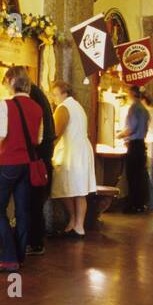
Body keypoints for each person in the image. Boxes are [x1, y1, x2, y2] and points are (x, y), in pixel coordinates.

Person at [0, 66, 43, 273]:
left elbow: (2, 134)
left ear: (11, 81)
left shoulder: (6, 104)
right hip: (27, 164)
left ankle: (9, 258)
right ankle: (19, 255)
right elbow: (38, 139)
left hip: (9, 162)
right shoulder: (37, 108)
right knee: (22, 211)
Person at [13, 66, 56, 256]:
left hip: (36, 156)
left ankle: (34, 242)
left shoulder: (31, 96)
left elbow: (32, 130)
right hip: (42, 154)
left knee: (32, 201)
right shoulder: (38, 94)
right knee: (35, 201)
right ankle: (35, 241)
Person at [48, 79, 97, 236]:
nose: (53, 98)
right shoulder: (77, 106)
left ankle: (76, 223)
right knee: (79, 189)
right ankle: (77, 225)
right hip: (81, 149)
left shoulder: (63, 108)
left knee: (64, 186)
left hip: (73, 152)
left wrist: (47, 148)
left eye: (55, 95)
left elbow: (56, 133)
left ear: (64, 93)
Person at [117, 86, 149, 212]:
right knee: (139, 176)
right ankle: (140, 204)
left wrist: (119, 135)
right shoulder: (144, 109)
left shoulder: (134, 108)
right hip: (141, 145)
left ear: (132, 94)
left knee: (132, 177)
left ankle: (133, 205)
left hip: (134, 145)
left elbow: (131, 128)